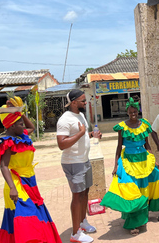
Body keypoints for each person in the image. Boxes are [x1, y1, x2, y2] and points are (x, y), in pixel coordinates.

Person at [0, 102, 62, 243]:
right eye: (20, 123)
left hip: (29, 181)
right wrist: (12, 188)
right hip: (16, 183)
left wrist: (20, 112)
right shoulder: (8, 143)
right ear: (12, 126)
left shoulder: (21, 135)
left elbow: (31, 127)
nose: (23, 126)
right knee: (27, 215)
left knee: (31, 215)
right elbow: (3, 166)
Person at [100, 97, 159, 235]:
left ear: (138, 111)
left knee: (148, 183)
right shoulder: (122, 127)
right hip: (128, 161)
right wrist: (115, 165)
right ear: (127, 113)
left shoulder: (144, 125)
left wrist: (153, 160)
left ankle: (142, 216)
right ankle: (133, 222)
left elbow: (147, 144)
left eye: (135, 112)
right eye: (131, 113)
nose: (133, 115)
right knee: (132, 191)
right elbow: (118, 147)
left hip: (143, 161)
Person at [56, 89, 101, 243]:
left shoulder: (80, 115)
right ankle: (75, 235)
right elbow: (61, 144)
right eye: (82, 100)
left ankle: (82, 222)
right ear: (73, 102)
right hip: (73, 162)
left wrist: (90, 135)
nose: (85, 102)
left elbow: (81, 134)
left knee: (84, 193)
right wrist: (82, 134)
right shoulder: (65, 119)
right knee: (77, 195)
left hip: (84, 160)